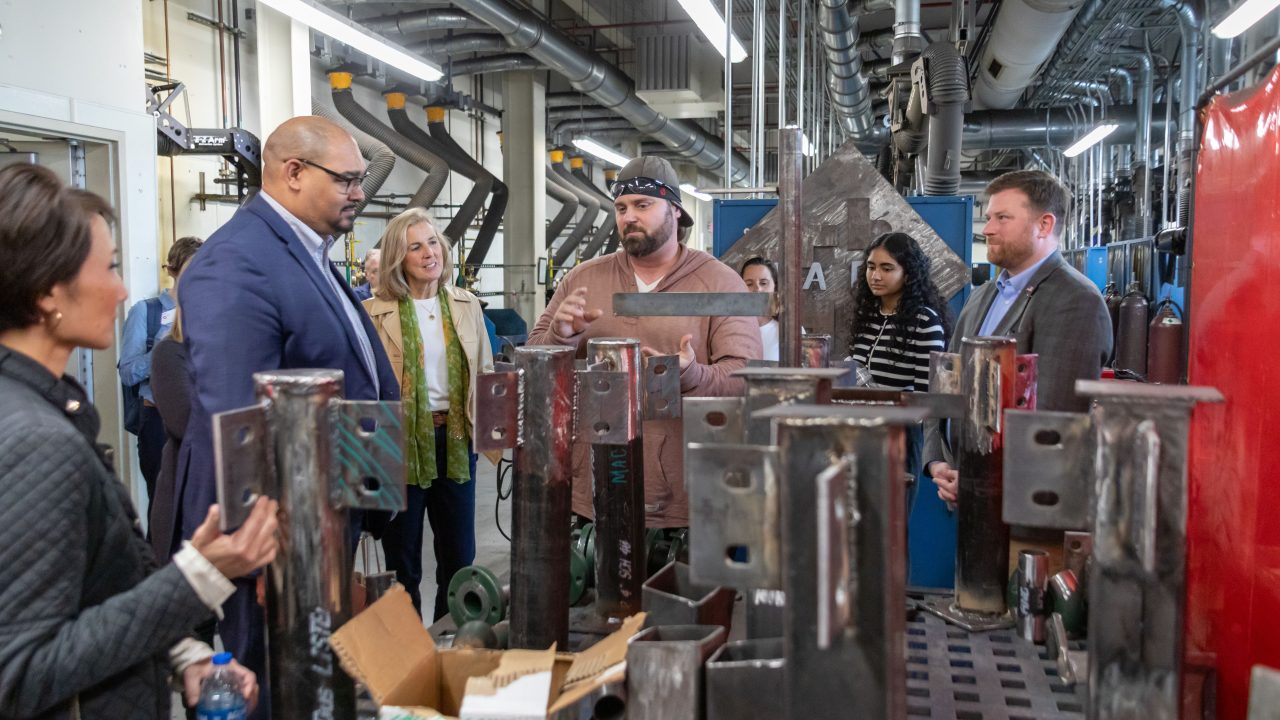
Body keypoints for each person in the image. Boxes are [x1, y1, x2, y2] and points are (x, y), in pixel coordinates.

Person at [0, 162, 279, 719]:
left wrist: (182, 652)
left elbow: (91, 590)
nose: (122, 289)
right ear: (49, 292)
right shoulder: (33, 438)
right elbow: (21, 672)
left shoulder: (46, 403)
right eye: (107, 268)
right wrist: (202, 573)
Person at [178, 116, 400, 717]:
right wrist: (260, 542)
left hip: (318, 516)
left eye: (362, 180)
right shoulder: (238, 263)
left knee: (316, 678)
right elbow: (240, 419)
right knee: (279, 682)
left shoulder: (308, 253)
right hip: (275, 535)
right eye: (348, 180)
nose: (360, 193)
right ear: (293, 173)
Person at [528, 156, 763, 528]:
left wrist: (692, 376)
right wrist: (560, 337)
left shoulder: (721, 282)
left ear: (674, 210)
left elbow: (747, 376)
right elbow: (534, 359)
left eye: (643, 205)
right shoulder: (583, 279)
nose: (628, 217)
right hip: (594, 489)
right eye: (621, 207)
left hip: (684, 496)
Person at [926, 170, 1111, 505]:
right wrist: (938, 459)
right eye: (989, 217)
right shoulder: (982, 296)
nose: (988, 229)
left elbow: (1055, 422)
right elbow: (946, 382)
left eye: (1002, 218)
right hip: (967, 492)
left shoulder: (1075, 300)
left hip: (1021, 507)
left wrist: (982, 482)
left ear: (1044, 225)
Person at [362, 208, 495, 620]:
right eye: (414, 246)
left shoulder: (466, 305)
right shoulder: (373, 312)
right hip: (398, 445)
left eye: (433, 242)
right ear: (398, 259)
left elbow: (485, 372)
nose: (428, 253)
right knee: (402, 558)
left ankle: (452, 634)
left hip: (455, 440)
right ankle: (408, 651)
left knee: (459, 553)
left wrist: (492, 435)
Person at [849, 232, 951, 514]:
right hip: (859, 433)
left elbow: (926, 395)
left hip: (900, 437)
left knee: (890, 528)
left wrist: (886, 402)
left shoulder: (924, 320)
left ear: (908, 274)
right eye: (871, 267)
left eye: (887, 268)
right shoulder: (868, 316)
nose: (876, 276)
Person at [117, 235, 202, 503]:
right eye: (193, 266)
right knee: (162, 502)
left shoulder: (208, 311)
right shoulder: (146, 311)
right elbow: (128, 372)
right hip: (157, 421)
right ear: (173, 270)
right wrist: (165, 349)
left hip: (198, 418)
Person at [740, 256, 780, 362]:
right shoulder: (727, 329)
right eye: (749, 284)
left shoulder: (791, 331)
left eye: (763, 283)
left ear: (775, 287)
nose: (757, 289)